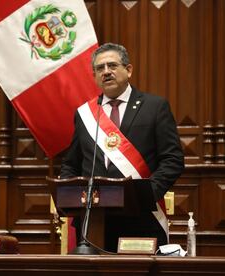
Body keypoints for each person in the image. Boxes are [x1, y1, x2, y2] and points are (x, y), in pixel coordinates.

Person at [60, 43, 185, 252]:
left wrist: (147, 194)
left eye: (112, 65)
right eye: (100, 68)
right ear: (94, 76)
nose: (106, 72)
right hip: (94, 221)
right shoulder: (85, 114)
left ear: (128, 70)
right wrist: (67, 191)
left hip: (141, 218)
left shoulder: (154, 107)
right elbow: (71, 163)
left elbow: (173, 160)